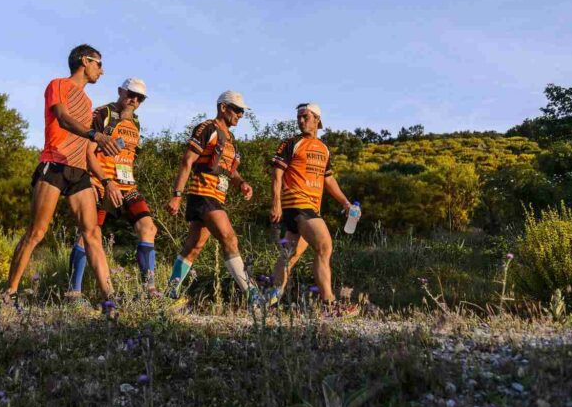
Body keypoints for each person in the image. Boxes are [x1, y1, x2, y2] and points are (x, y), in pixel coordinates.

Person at [4, 44, 121, 317]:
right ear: (84, 61)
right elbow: (63, 118)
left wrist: (104, 178)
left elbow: (88, 145)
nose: (102, 72)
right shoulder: (58, 85)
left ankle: (110, 302)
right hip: (55, 164)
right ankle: (8, 294)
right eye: (99, 64)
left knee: (93, 234)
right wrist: (95, 135)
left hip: (79, 171)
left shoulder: (89, 103)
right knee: (37, 233)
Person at [67, 78, 162, 301]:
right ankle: (73, 292)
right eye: (130, 94)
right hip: (99, 182)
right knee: (89, 233)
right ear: (120, 91)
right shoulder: (103, 114)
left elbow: (128, 156)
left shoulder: (135, 123)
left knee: (148, 228)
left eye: (140, 98)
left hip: (127, 185)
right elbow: (88, 153)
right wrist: (106, 181)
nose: (134, 100)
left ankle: (149, 290)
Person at [165, 91, 261, 307]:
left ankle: (170, 293)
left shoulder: (232, 140)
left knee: (194, 246)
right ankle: (253, 295)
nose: (240, 115)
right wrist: (177, 195)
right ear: (223, 107)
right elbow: (187, 160)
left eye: (242, 111)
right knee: (229, 238)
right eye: (236, 110)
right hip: (203, 193)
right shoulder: (207, 128)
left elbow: (230, 171)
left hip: (218, 196)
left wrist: (242, 183)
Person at [265, 103, 360, 318]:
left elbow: (328, 179)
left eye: (305, 117)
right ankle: (329, 306)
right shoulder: (291, 143)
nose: (301, 121)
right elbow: (277, 174)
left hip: (310, 206)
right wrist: (276, 203)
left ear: (317, 118)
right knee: (325, 246)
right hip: (298, 204)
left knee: (289, 256)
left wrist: (345, 203)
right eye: (298, 117)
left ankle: (266, 304)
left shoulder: (324, 148)